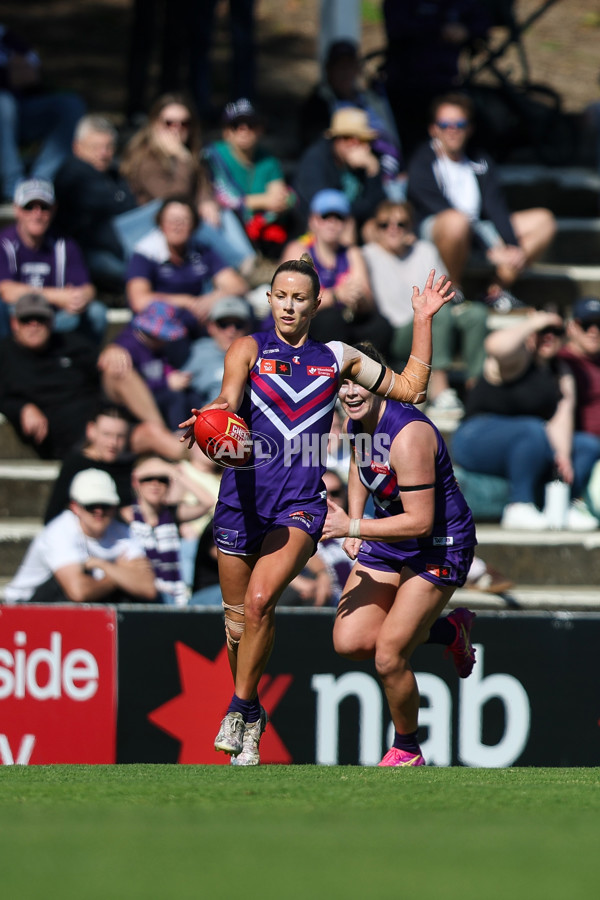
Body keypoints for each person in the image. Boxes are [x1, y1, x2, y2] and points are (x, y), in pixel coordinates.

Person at [179, 255, 456, 766]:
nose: (288, 306)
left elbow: (412, 390)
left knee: (260, 601)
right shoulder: (246, 348)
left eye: (299, 298)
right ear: (269, 299)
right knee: (237, 624)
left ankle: (238, 709)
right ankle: (253, 711)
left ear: (316, 303)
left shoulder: (337, 357)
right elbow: (227, 399)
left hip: (300, 505)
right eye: (281, 296)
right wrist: (211, 419)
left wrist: (422, 320)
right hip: (240, 501)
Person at [322, 341, 478, 766]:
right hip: (390, 537)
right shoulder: (356, 422)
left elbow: (421, 523)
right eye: (343, 383)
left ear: (380, 382)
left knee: (389, 655)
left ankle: (407, 749)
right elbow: (358, 465)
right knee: (351, 642)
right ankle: (449, 631)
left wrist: (352, 527)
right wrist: (355, 516)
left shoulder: (408, 436)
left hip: (440, 545)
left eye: (358, 382)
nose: (350, 392)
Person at [406, 93, 557, 312]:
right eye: (445, 124)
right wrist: (488, 249)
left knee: (544, 220)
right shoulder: (422, 161)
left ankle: (496, 290)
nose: (452, 130)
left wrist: (512, 246)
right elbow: (439, 209)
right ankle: (452, 291)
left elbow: (496, 206)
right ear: (433, 129)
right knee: (456, 221)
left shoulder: (480, 160)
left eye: (459, 124)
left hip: (478, 228)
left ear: (469, 128)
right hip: (438, 231)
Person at [451, 310, 600, 531]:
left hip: (530, 443)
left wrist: (563, 456)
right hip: (475, 438)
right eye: (544, 331)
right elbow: (494, 345)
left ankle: (561, 505)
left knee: (586, 445)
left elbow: (561, 419)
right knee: (532, 429)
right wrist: (535, 322)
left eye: (556, 331)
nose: (549, 336)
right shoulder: (516, 359)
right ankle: (519, 505)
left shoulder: (560, 372)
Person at [0, 291, 188, 461]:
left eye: (40, 319)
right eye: (26, 319)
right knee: (160, 440)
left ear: (51, 321)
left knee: (117, 364)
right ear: (14, 323)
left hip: (109, 425)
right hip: (71, 440)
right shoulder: (5, 354)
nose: (34, 325)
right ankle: (191, 458)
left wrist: (112, 350)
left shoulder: (69, 343)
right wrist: (21, 408)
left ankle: (179, 445)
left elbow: (101, 362)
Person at [361, 198, 488, 418]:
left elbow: (443, 290)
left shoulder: (425, 250)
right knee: (434, 313)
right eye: (385, 224)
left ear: (411, 226)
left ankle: (477, 390)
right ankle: (440, 390)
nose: (393, 229)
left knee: (476, 314)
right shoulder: (367, 254)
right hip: (399, 330)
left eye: (401, 223)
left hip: (436, 320)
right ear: (375, 227)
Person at [119, 92, 255, 271]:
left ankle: (250, 261)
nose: (177, 129)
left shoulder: (191, 151)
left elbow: (203, 184)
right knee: (189, 216)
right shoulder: (145, 158)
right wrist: (182, 160)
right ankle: (240, 264)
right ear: (154, 124)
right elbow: (174, 199)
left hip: (184, 217)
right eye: (169, 123)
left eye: (184, 123)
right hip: (154, 224)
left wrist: (207, 201)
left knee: (221, 212)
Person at [4, 468, 157, 605]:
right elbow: (78, 592)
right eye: (91, 506)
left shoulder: (124, 533)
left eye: (105, 505)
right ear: (75, 507)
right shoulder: (59, 532)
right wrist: (119, 573)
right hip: (23, 608)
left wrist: (103, 566)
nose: (99, 511)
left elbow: (148, 589)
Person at [53, 114, 157, 290]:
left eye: (108, 147)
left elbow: (128, 207)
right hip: (88, 252)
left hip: (123, 246)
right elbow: (110, 208)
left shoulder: (114, 174)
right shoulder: (72, 173)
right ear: (77, 147)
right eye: (95, 147)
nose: (103, 153)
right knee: (139, 274)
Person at [281, 188, 391, 353]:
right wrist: (336, 295)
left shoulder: (352, 253)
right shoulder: (298, 250)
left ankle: (366, 368)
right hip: (308, 323)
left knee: (380, 326)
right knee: (330, 320)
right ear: (313, 221)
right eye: (326, 217)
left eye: (339, 218)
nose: (332, 223)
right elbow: (293, 301)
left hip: (344, 320)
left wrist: (357, 296)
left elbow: (368, 299)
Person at [0, 178, 107, 342]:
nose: (37, 214)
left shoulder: (65, 244)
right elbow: (6, 291)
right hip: (18, 320)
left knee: (96, 312)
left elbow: (88, 288)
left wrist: (80, 297)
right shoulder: (4, 243)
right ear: (17, 209)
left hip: (54, 320)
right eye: (29, 207)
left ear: (54, 209)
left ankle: (79, 358)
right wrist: (57, 296)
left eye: (44, 207)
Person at [298, 38, 404, 201]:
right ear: (328, 70)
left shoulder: (372, 99)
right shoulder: (318, 104)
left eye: (350, 66)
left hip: (390, 168)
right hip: (355, 173)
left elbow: (392, 138)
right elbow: (320, 144)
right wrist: (371, 168)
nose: (345, 73)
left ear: (357, 69)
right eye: (340, 67)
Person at [382, 1, 492, 157]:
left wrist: (466, 30)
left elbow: (482, 21)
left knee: (474, 131)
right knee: (413, 147)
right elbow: (397, 27)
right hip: (406, 87)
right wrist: (438, 29)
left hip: (446, 84)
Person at [125, 196, 248, 330]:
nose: (177, 226)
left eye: (183, 220)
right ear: (161, 223)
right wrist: (186, 301)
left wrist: (211, 299)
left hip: (198, 322)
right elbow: (139, 301)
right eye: (172, 220)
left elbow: (238, 285)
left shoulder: (201, 250)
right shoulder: (145, 253)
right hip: (159, 328)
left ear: (194, 226)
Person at [202, 98, 296, 260]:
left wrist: (283, 200)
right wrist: (263, 201)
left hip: (261, 230)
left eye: (251, 125)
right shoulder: (212, 157)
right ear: (226, 132)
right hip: (225, 225)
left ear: (260, 130)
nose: (244, 130)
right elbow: (219, 198)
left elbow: (280, 196)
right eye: (236, 125)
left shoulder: (268, 161)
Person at [0, 24, 86, 200]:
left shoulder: (5, 36)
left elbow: (32, 70)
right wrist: (10, 72)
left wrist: (11, 73)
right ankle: (13, 188)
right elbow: (19, 73)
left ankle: (39, 184)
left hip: (20, 112)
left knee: (69, 104)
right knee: (3, 103)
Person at [121, 453, 215, 606]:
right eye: (148, 479)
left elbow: (208, 502)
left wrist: (174, 473)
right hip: (142, 596)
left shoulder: (172, 514)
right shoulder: (125, 516)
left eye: (162, 479)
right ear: (136, 482)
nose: (155, 484)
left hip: (177, 598)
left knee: (223, 596)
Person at [292, 106, 388, 240]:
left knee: (374, 228)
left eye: (368, 141)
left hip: (354, 224)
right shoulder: (316, 160)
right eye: (362, 141)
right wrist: (362, 208)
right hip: (318, 230)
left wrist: (373, 172)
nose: (366, 147)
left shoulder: (367, 161)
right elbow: (328, 208)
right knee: (348, 226)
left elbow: (380, 207)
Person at [111, 299, 198, 431]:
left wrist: (173, 375)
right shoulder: (128, 346)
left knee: (191, 396)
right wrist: (166, 383)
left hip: (159, 391)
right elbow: (132, 385)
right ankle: (179, 434)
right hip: (140, 404)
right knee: (175, 397)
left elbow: (163, 366)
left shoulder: (157, 348)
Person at [44, 402, 136, 524]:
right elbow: (54, 515)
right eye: (107, 434)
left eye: (120, 436)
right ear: (91, 430)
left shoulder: (128, 467)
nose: (113, 443)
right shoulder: (75, 465)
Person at [181, 294, 254, 408]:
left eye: (238, 325)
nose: (231, 330)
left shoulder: (258, 353)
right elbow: (180, 380)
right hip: (207, 413)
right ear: (210, 327)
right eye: (223, 324)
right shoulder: (198, 351)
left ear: (248, 327)